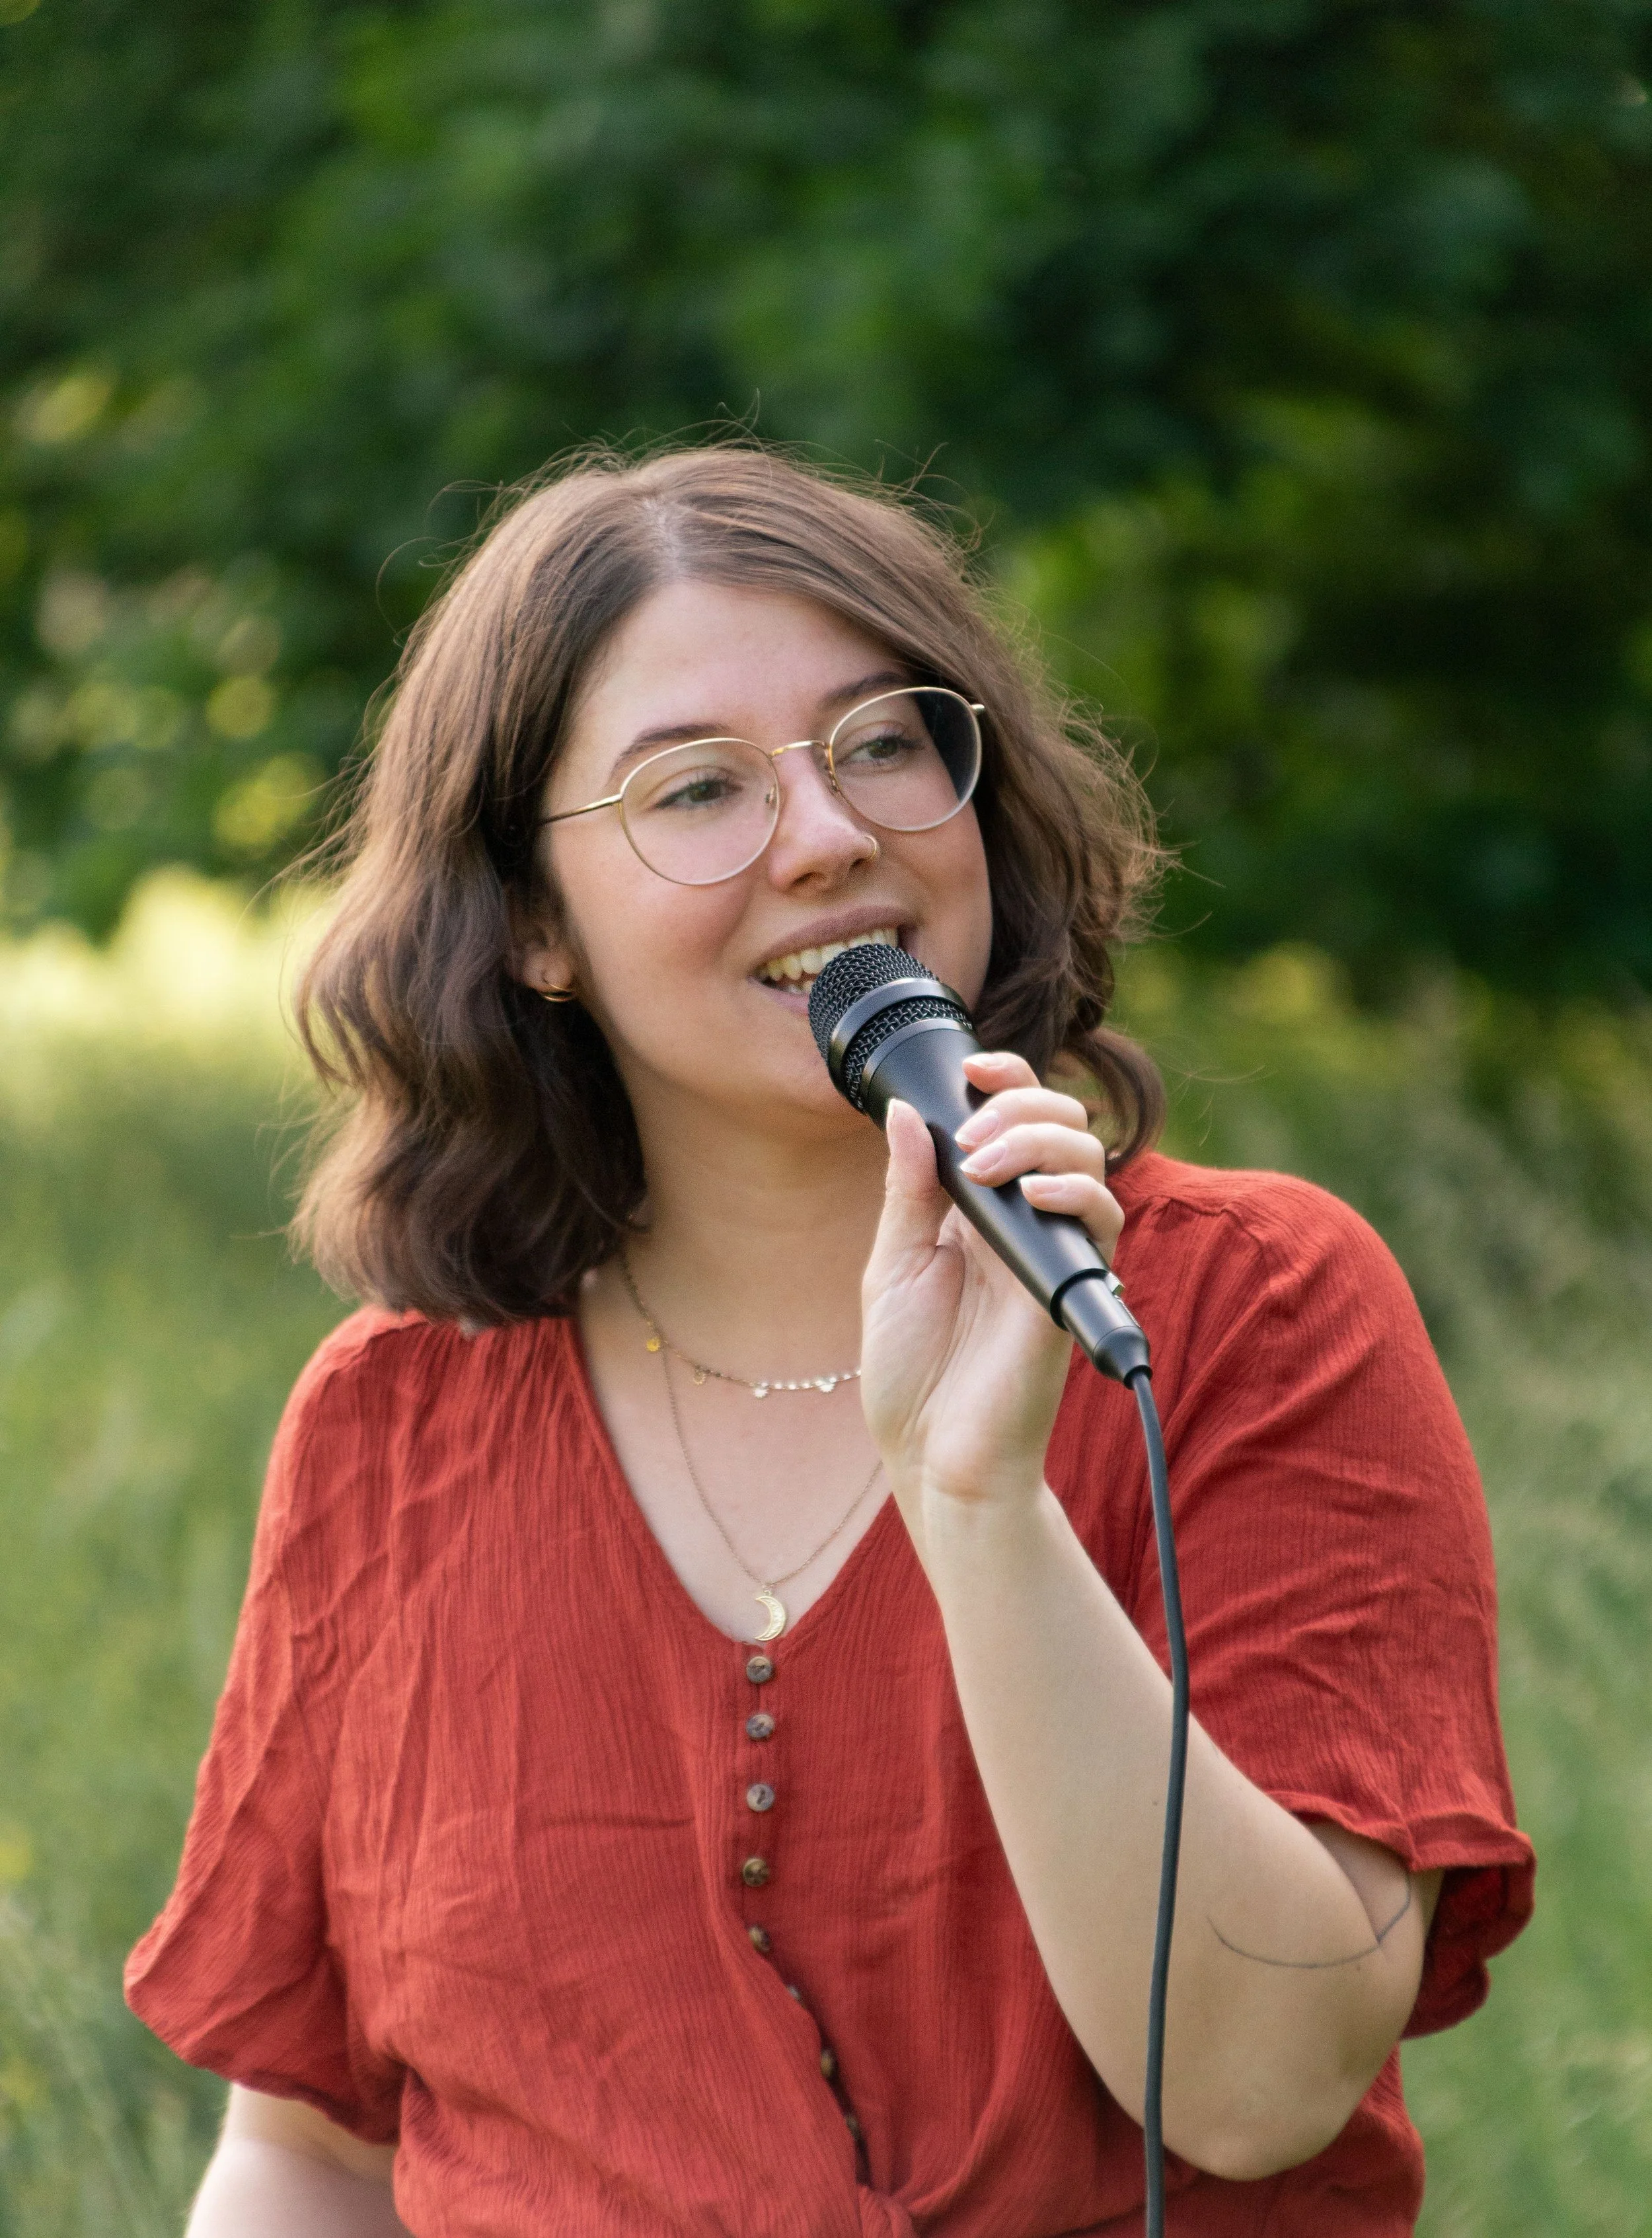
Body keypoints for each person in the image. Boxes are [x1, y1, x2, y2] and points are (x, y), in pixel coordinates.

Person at [126, 444, 1534, 2238]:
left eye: (882, 743)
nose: (827, 834)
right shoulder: (389, 1426)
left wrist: (980, 1507)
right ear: (534, 924)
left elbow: (1259, 2091)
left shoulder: (1248, 1312)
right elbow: (311, 2150)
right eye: (695, 789)